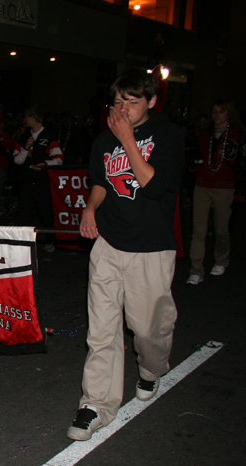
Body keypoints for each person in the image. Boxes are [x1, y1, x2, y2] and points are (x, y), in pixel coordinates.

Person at [67, 69, 184, 441]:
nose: (121, 109)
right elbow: (101, 181)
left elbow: (153, 186)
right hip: (110, 243)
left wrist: (128, 140)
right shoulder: (104, 139)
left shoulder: (168, 135)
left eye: (130, 102)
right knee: (102, 330)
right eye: (116, 102)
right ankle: (96, 404)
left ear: (150, 101)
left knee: (148, 330)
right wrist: (90, 208)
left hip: (150, 247)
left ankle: (152, 369)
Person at [186, 99, 243, 284]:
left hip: (225, 187)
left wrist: (239, 190)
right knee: (199, 230)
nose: (216, 115)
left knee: (221, 229)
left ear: (229, 113)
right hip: (203, 185)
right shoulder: (205, 135)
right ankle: (196, 269)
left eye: (221, 111)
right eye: (214, 111)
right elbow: (194, 158)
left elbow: (241, 164)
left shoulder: (238, 134)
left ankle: (221, 259)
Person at [13, 105, 63, 251]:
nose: (24, 120)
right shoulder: (24, 136)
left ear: (32, 117)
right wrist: (26, 147)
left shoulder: (48, 136)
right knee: (24, 213)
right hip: (26, 180)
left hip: (42, 180)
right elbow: (17, 160)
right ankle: (22, 243)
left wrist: (45, 164)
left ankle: (51, 241)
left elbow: (59, 158)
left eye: (26, 117)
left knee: (45, 212)